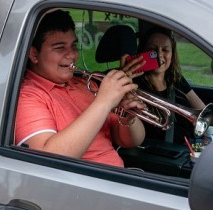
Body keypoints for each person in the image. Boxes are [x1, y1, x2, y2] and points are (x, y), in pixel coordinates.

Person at [15, 9, 146, 168]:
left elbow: (130, 141)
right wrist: (103, 102)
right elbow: (46, 160)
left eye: (74, 45)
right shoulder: (27, 96)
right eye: (60, 47)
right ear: (34, 54)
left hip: (115, 177)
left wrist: (127, 117)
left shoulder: (84, 84)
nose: (72, 55)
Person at [120, 26, 213, 144]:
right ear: (142, 53)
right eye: (152, 50)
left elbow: (205, 115)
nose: (159, 55)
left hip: (190, 148)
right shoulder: (132, 86)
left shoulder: (177, 80)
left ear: (172, 55)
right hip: (164, 154)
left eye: (165, 50)